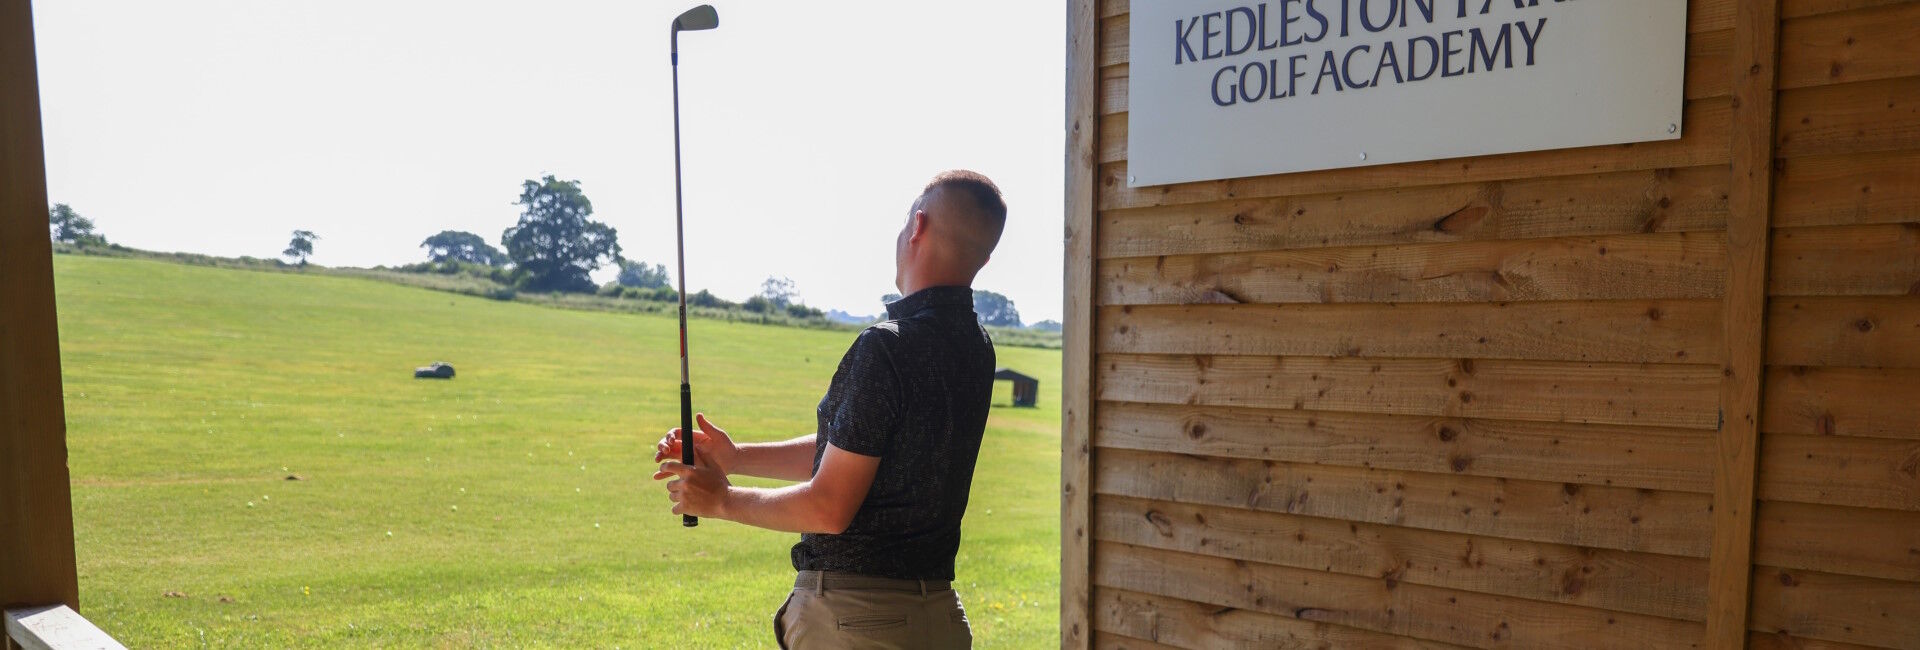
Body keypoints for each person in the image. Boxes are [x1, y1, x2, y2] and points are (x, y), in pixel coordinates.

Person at [652, 170, 1007, 649]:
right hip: (940, 619)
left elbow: (830, 507)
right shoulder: (976, 348)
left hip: (858, 625)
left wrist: (721, 500)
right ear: (984, 258)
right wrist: (736, 457)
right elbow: (858, 453)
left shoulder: (888, 347)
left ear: (917, 227)